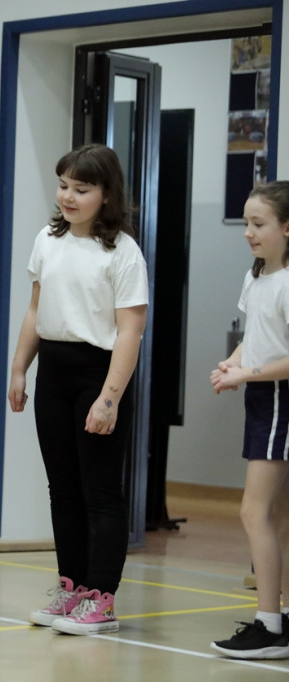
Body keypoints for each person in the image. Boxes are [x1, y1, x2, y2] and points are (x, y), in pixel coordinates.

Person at [8, 144, 148, 635]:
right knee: (62, 488)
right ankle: (71, 589)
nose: (68, 196)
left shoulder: (123, 252)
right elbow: (35, 308)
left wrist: (109, 398)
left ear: (106, 195)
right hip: (56, 372)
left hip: (99, 373)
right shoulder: (49, 238)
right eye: (64, 185)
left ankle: (101, 598)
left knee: (100, 491)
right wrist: (21, 367)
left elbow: (130, 331)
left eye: (81, 189)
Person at [209, 180, 289, 659]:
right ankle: (280, 621)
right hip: (264, 395)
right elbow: (255, 336)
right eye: (246, 223)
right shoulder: (258, 275)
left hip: (280, 397)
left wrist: (248, 372)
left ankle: (268, 624)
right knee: (278, 516)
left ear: (286, 227)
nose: (248, 233)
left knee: (252, 510)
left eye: (258, 224)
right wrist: (232, 365)